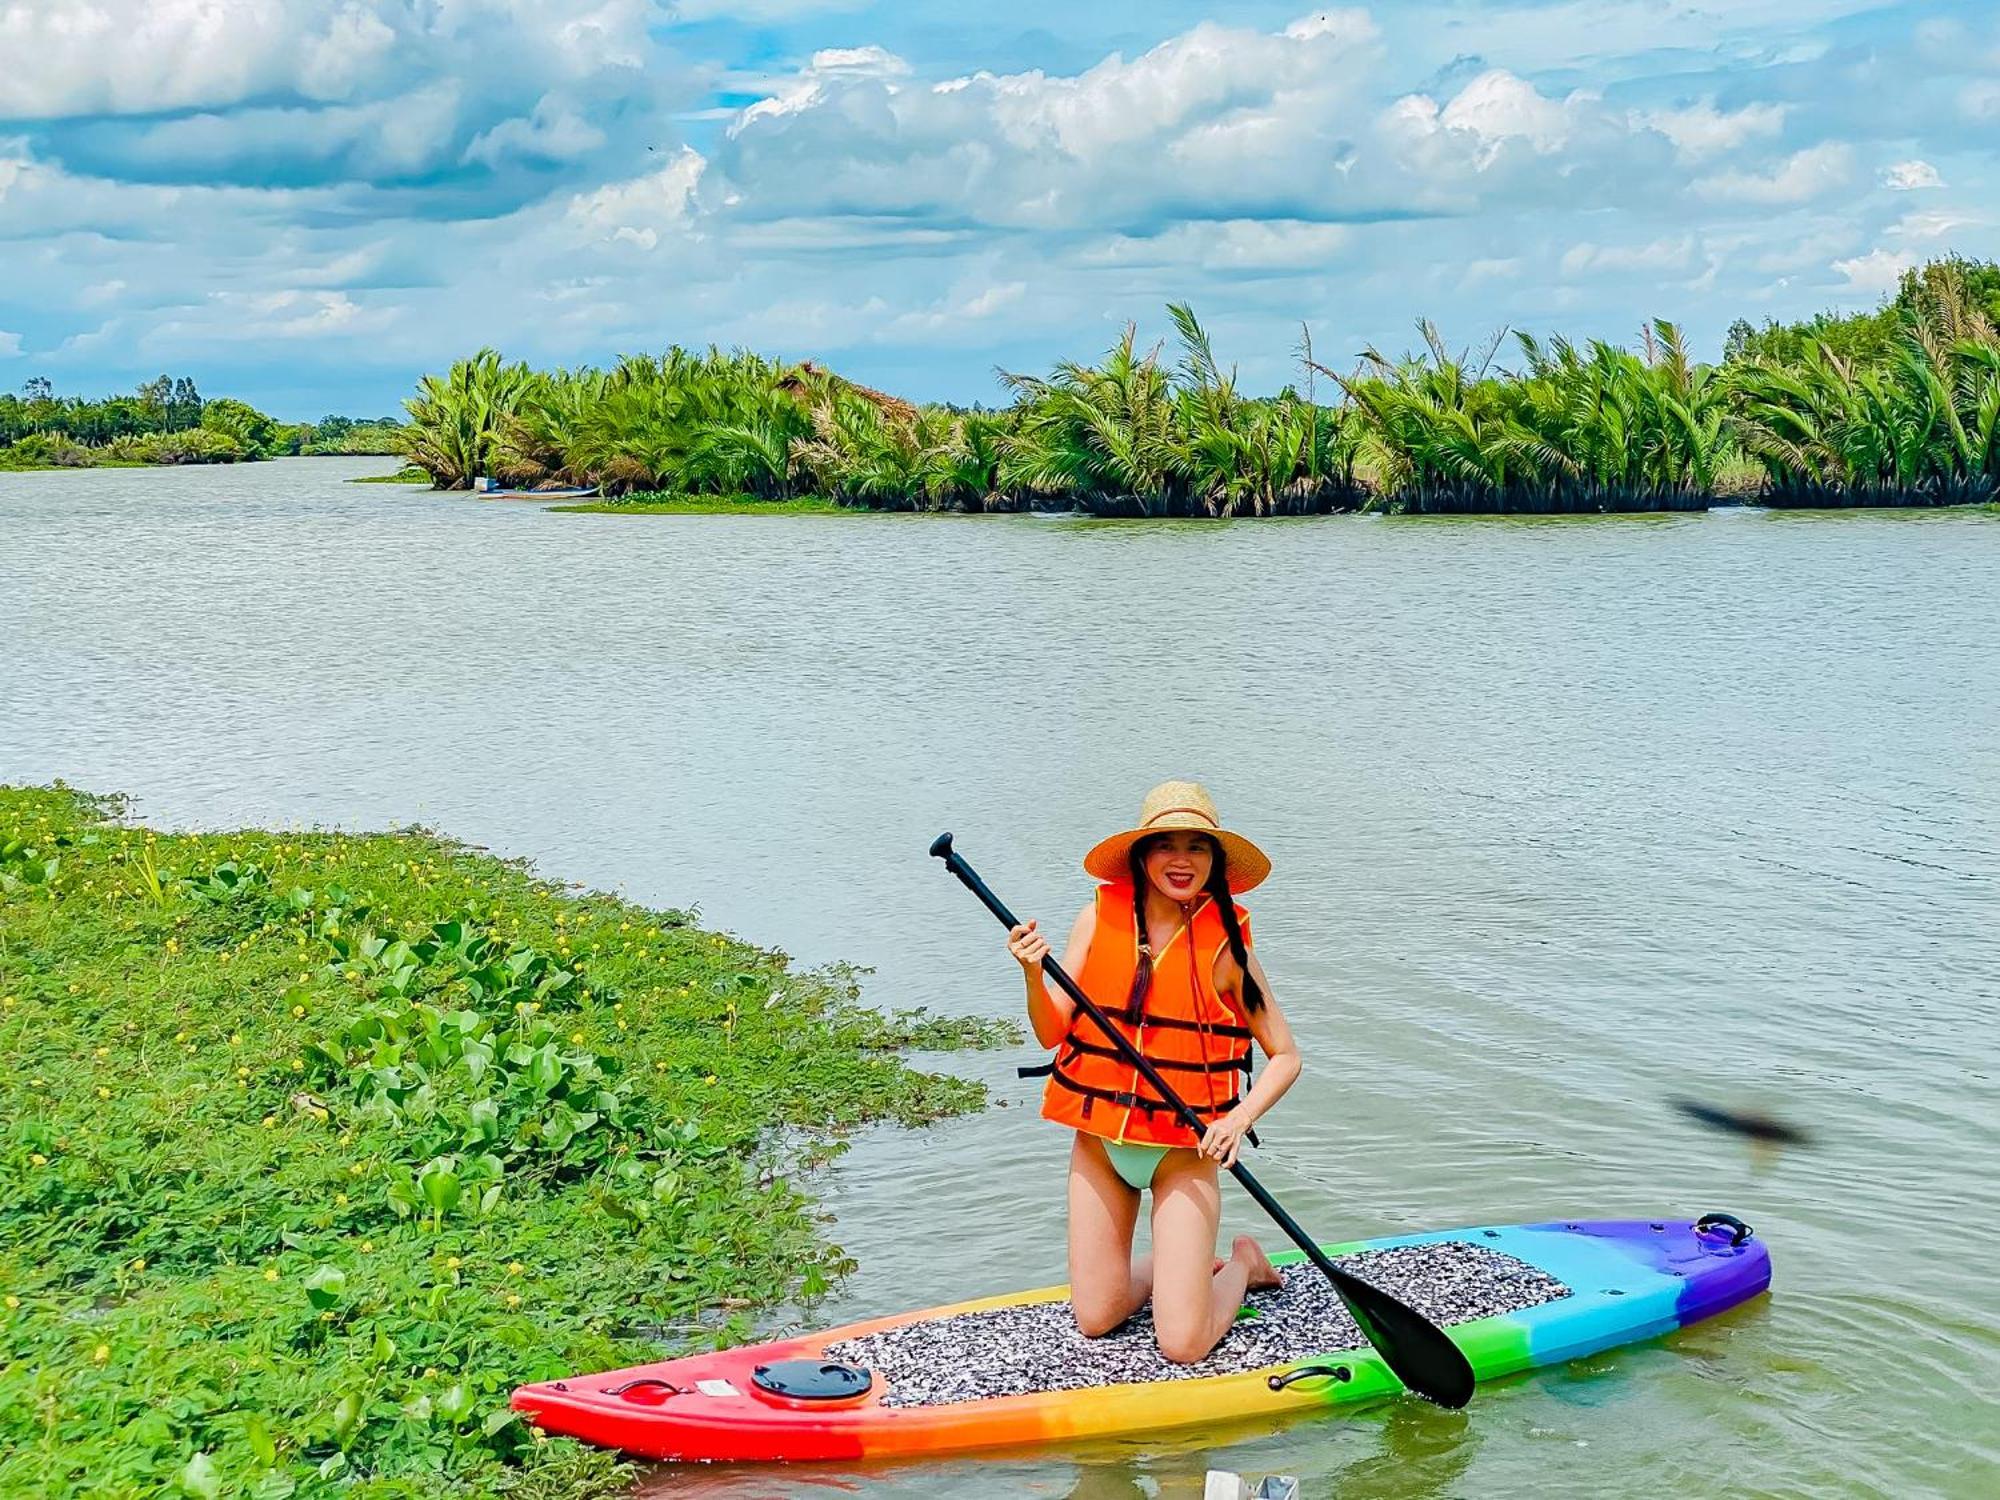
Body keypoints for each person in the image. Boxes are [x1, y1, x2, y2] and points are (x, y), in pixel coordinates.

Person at [1006, 780, 1302, 1364]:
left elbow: (1286, 1057)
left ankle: (1242, 1262)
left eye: (1197, 846)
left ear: (1216, 861)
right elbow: (1051, 1032)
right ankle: (1184, 1275)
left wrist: (1237, 1120)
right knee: (1096, 1318)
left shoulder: (1228, 950)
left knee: (1183, 1345)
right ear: (1141, 855)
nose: (1181, 860)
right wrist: (1032, 975)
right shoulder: (1097, 918)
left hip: (1180, 1154)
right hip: (1099, 1143)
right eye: (1165, 843)